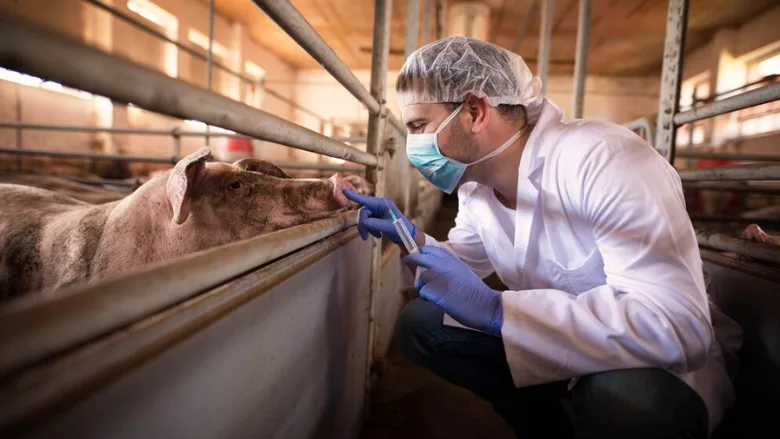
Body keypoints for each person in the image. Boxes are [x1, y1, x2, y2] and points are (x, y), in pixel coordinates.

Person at [343, 37, 741, 438]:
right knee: (422, 324)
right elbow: (459, 267)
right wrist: (410, 239)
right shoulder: (476, 188)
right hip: (559, 344)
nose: (414, 146)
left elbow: (679, 327)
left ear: (476, 111)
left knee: (624, 398)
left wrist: (500, 311)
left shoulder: (603, 159)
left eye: (418, 126)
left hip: (652, 365)